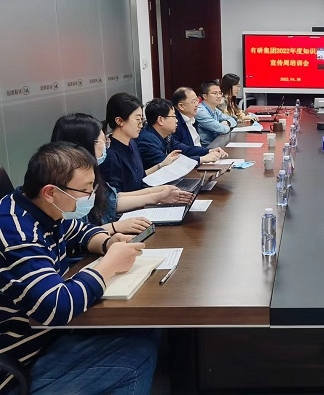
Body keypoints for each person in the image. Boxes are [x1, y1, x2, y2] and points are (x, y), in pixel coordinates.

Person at [0, 142, 156, 394]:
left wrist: (107, 242)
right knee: (137, 355)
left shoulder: (39, 208)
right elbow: (56, 306)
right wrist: (108, 265)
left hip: (48, 337)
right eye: (85, 190)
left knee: (143, 326)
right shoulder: (17, 234)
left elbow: (79, 231)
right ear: (50, 192)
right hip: (21, 363)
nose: (92, 195)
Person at [51, 113, 192, 233]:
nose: (106, 147)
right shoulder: (63, 188)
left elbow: (110, 199)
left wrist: (157, 195)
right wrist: (114, 227)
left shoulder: (91, 171)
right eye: (103, 142)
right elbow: (74, 235)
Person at [100, 93, 180, 193]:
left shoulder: (132, 143)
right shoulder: (111, 154)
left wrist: (162, 165)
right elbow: (115, 198)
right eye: (137, 120)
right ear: (119, 121)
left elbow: (139, 177)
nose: (141, 125)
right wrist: (155, 195)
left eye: (142, 120)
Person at [136, 98, 225, 170]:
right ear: (160, 120)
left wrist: (209, 151)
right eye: (173, 116)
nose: (177, 120)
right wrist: (202, 159)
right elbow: (168, 163)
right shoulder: (147, 140)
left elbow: (184, 149)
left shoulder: (166, 135)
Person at [171, 86, 228, 159]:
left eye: (197, 100)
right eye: (193, 102)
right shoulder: (175, 124)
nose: (197, 104)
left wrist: (209, 151)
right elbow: (182, 150)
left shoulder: (192, 119)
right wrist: (203, 157)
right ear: (181, 106)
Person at [195, 80, 238, 146]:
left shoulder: (215, 110)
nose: (219, 96)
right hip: (206, 148)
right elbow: (222, 129)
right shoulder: (200, 111)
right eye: (215, 93)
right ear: (205, 96)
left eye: (220, 93)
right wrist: (225, 126)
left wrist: (228, 123)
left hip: (217, 144)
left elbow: (233, 120)